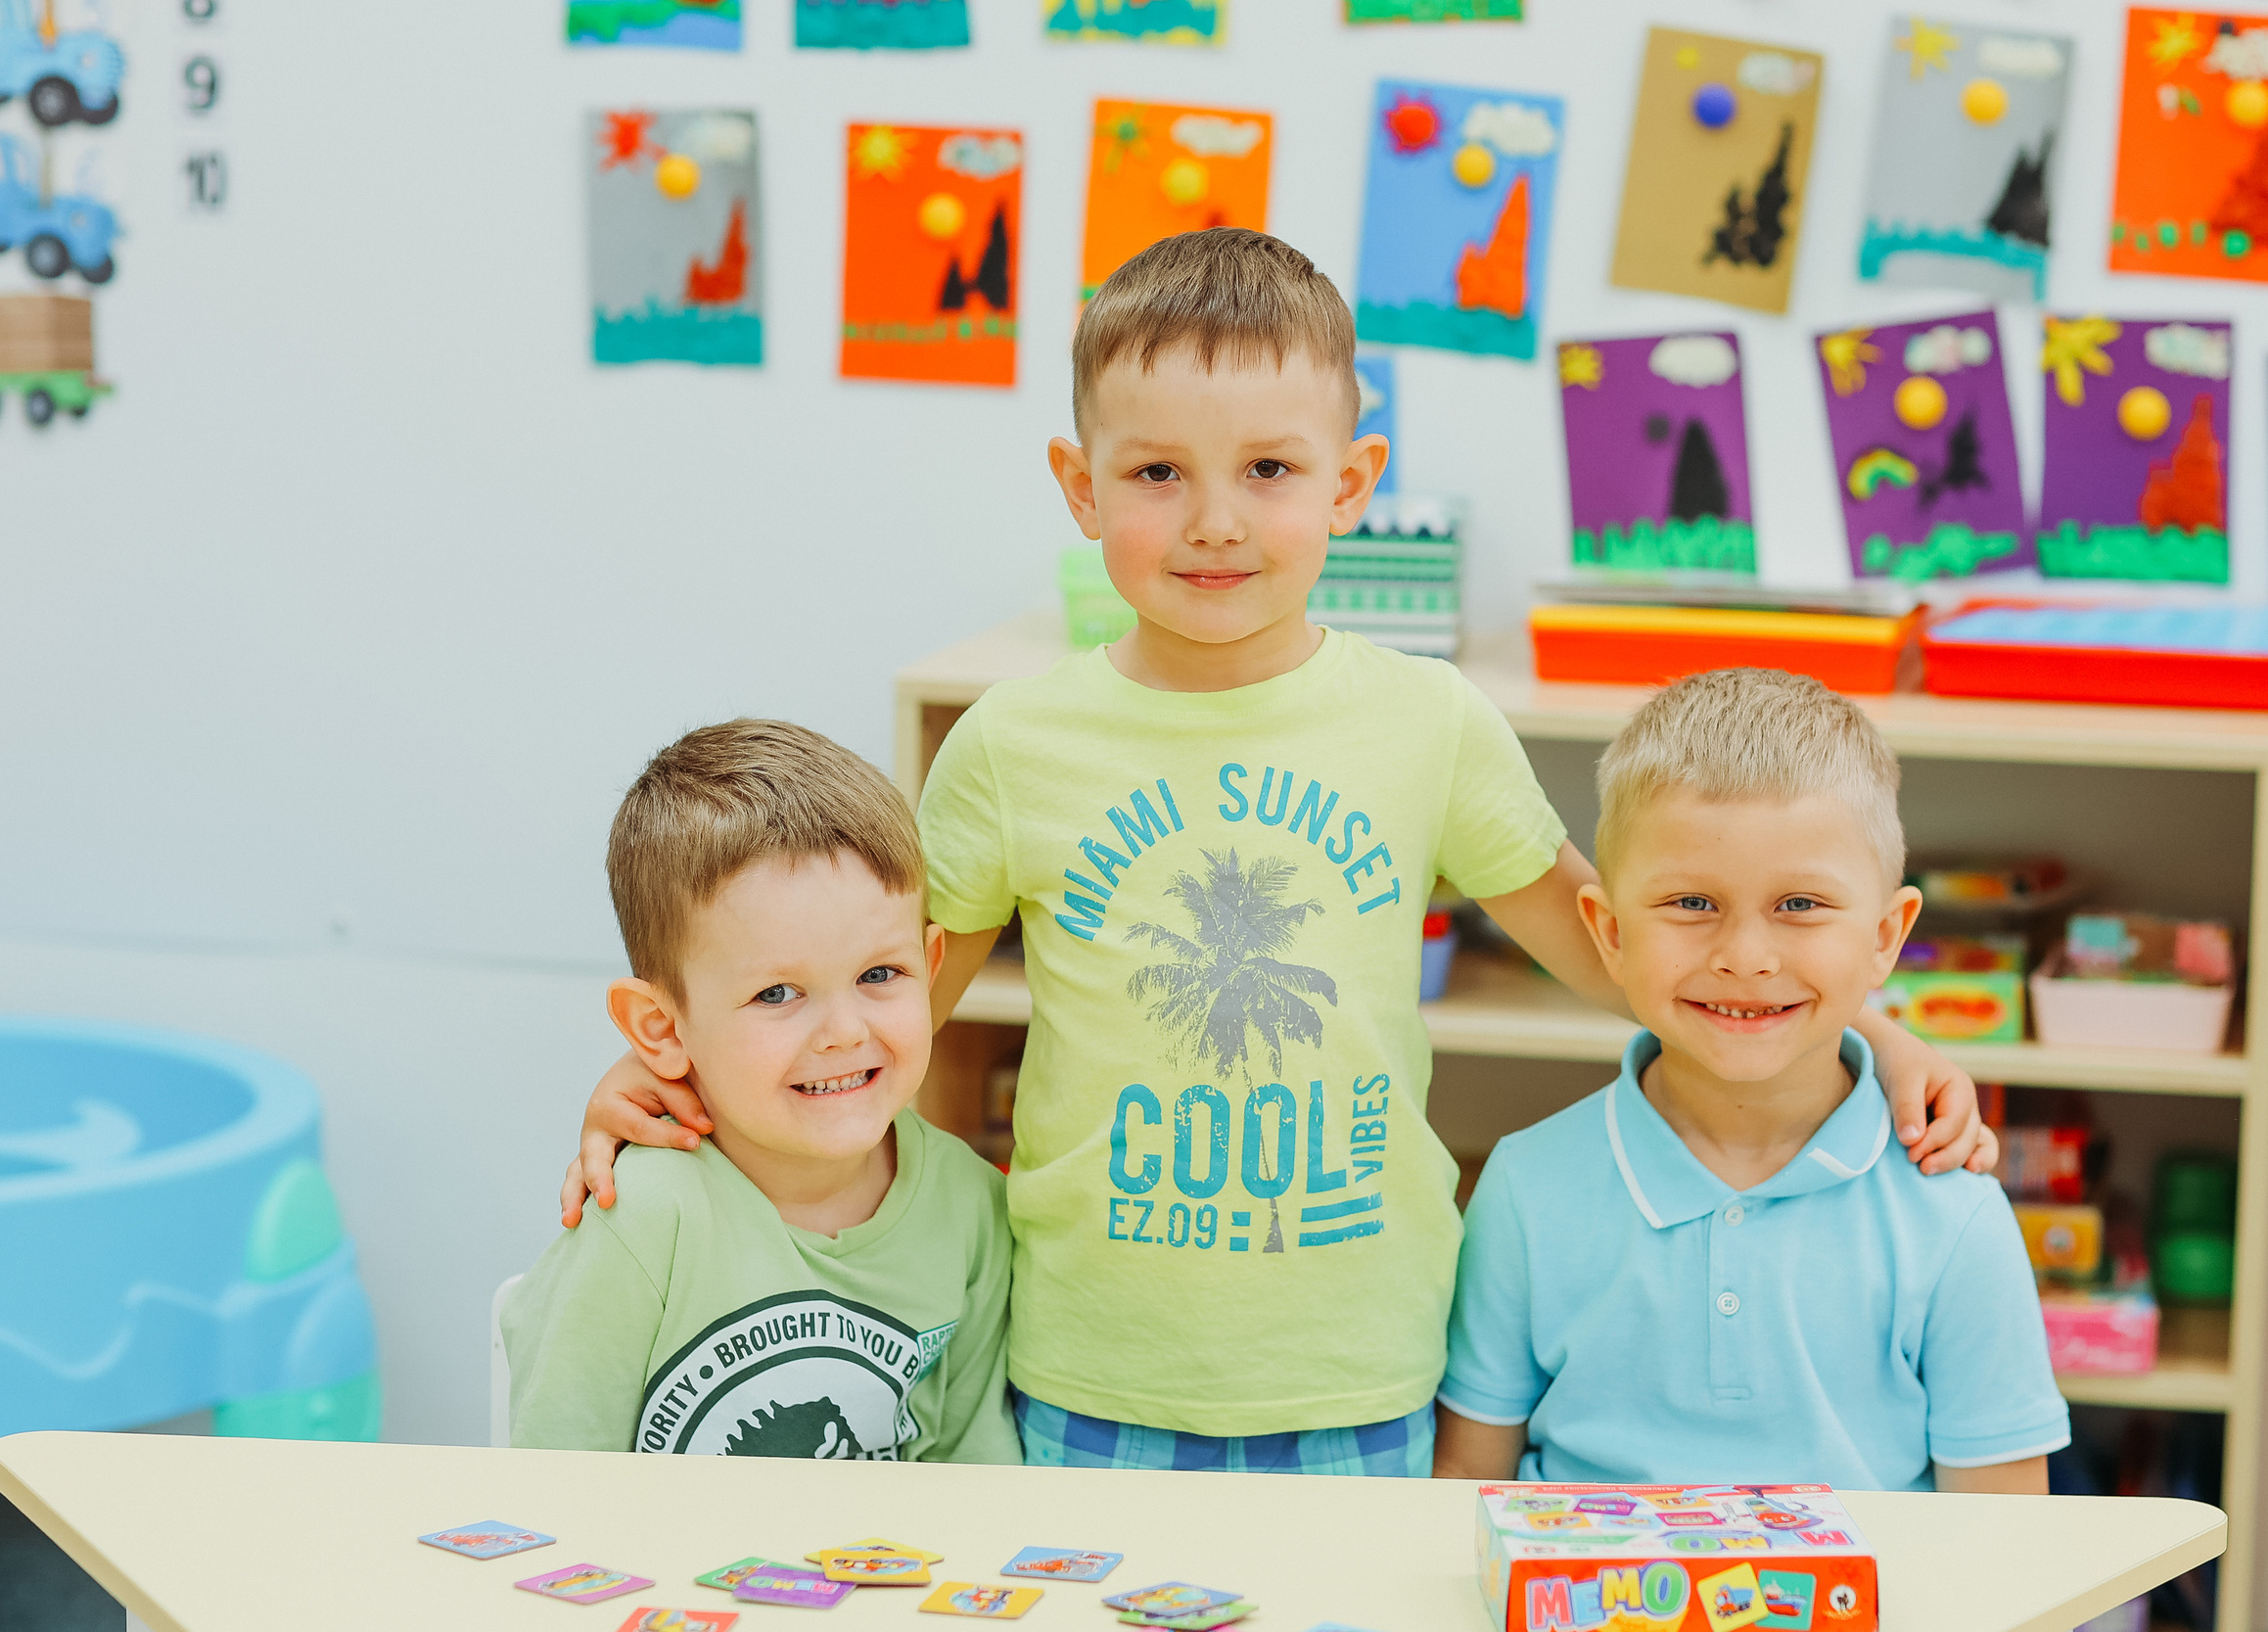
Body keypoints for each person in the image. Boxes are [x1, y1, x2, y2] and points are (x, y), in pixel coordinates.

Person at [556, 228, 1996, 1475]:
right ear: (1079, 482)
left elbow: (1629, 947)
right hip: (1082, 1373)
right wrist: (681, 1078)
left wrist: (1875, 1033)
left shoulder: (1430, 721)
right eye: (1158, 472)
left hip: (1364, 1374)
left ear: (1352, 479)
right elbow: (869, 1010)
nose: (1218, 520)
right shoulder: (1008, 743)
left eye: (1268, 467)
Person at [1435, 669, 2068, 1493]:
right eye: (1693, 901)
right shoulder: (1525, 1188)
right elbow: (1463, 1483)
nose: (1745, 955)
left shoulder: (1954, 1217)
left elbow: (2006, 1542)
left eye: (1800, 904)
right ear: (1609, 932)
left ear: (1887, 936)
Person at [501, 720, 1017, 1463]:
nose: (843, 1031)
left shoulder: (972, 1210)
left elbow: (976, 1485)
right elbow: (556, 1474)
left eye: (880, 975)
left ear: (930, 965)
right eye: (778, 992)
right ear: (660, 1027)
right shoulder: (640, 1216)